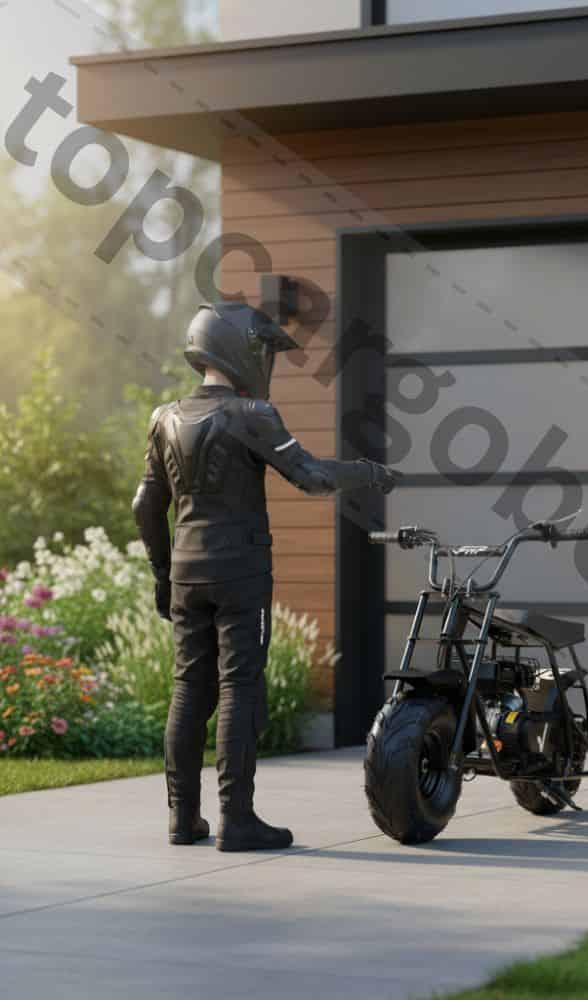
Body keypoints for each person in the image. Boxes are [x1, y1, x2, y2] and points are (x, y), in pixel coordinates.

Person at [132, 303, 396, 851]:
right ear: (240, 349)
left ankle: (184, 819)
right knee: (240, 688)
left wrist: (163, 574)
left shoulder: (163, 417)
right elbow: (314, 477)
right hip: (241, 572)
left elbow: (144, 506)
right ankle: (238, 820)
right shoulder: (252, 414)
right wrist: (371, 472)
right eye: (263, 352)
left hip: (186, 572)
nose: (266, 363)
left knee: (188, 688)